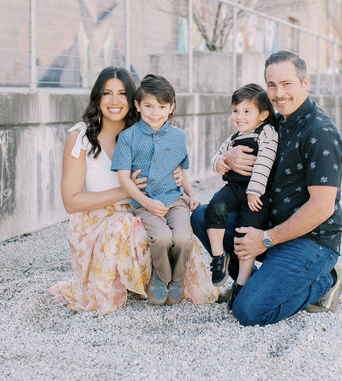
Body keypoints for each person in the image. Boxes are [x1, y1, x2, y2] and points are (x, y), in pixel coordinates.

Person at [191, 50, 342, 325]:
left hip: (310, 241)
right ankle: (248, 281)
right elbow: (237, 139)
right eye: (272, 85)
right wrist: (227, 158)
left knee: (249, 312)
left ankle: (328, 279)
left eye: (287, 84)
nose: (279, 93)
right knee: (203, 217)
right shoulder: (274, 121)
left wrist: (266, 239)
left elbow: (322, 207)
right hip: (266, 223)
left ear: (305, 83)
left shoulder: (320, 133)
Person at [49, 67, 217, 314]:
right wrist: (125, 191)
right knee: (134, 229)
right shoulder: (81, 137)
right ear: (98, 98)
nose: (115, 101)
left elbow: (176, 163)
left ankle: (168, 280)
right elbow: (71, 202)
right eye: (107, 93)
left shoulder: (145, 131)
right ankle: (136, 283)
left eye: (122, 94)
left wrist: (181, 181)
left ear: (134, 101)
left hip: (142, 208)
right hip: (97, 219)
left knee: (176, 227)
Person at [111, 74, 210, 306]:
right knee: (162, 237)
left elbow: (180, 171)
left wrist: (192, 194)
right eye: (148, 106)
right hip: (145, 202)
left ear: (171, 108)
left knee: (184, 238)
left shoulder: (178, 137)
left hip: (174, 199)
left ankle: (177, 280)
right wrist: (146, 203)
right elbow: (124, 179)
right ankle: (161, 276)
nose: (155, 113)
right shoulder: (128, 138)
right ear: (137, 106)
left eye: (162, 107)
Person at [205, 84, 278, 309]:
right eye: (236, 111)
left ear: (263, 114)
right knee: (214, 207)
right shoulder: (235, 136)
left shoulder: (266, 132)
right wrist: (220, 162)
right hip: (235, 188)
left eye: (247, 111)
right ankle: (219, 258)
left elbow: (266, 161)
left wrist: (255, 190)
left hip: (257, 193)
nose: (239, 116)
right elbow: (217, 155)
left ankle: (242, 285)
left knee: (247, 235)